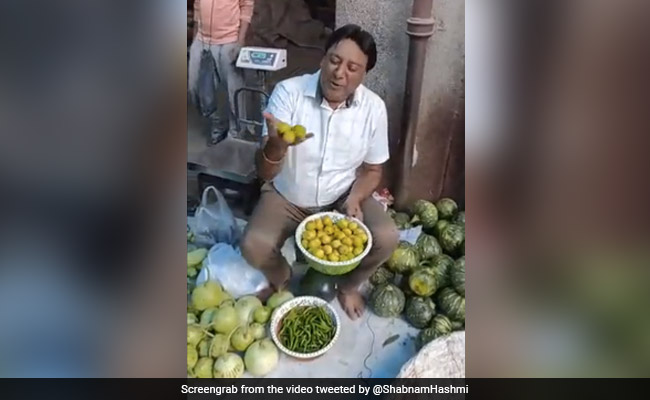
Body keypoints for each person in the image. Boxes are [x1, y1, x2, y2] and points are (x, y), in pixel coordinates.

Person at [240, 24, 399, 320]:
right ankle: (282, 279)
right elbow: (265, 172)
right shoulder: (289, 93)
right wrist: (276, 147)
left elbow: (373, 169)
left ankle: (347, 286)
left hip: (341, 195)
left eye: (352, 68)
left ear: (364, 74)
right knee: (253, 245)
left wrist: (355, 198)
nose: (339, 73)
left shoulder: (374, 109)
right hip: (288, 195)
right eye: (334, 60)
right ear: (323, 59)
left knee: (387, 237)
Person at [188, 0, 253, 145]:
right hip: (202, 39)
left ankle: (236, 132)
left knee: (233, 90)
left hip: (229, 40)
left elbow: (247, 7)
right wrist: (194, 41)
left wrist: (240, 41)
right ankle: (219, 123)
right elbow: (197, 6)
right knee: (195, 87)